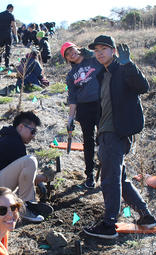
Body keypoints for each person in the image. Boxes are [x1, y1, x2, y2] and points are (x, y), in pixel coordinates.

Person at [83, 35, 156, 239]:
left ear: (114, 51)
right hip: (107, 133)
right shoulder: (103, 74)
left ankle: (108, 225)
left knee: (110, 179)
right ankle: (146, 216)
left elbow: (143, 87)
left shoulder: (122, 69)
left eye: (103, 49)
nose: (99, 53)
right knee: (120, 179)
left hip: (116, 133)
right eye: (96, 50)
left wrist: (129, 64)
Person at [0, 111, 53, 223]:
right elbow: (28, 177)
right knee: (30, 160)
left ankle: (21, 204)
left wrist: (42, 181)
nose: (33, 136)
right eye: (32, 131)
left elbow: (25, 178)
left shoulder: (10, 140)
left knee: (28, 162)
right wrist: (45, 177)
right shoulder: (14, 143)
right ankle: (25, 208)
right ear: (21, 127)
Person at [61, 41, 103, 189]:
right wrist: (70, 118)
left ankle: (107, 172)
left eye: (72, 50)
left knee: (104, 139)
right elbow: (72, 98)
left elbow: (105, 58)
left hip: (101, 104)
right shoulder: (71, 75)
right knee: (88, 142)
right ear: (67, 59)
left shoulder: (93, 60)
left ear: (77, 49)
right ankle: (89, 174)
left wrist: (88, 52)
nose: (71, 54)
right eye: (67, 54)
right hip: (84, 109)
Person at [0, 4, 18, 70]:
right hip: (8, 35)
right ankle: (7, 65)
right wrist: (15, 36)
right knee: (8, 50)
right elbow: (14, 26)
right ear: (11, 8)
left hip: (1, 35)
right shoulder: (11, 15)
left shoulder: (0, 14)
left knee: (0, 50)